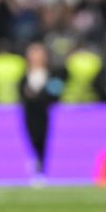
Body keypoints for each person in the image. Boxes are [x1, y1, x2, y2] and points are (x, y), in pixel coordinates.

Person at [18, 42, 62, 184]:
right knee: (31, 137)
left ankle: (43, 167)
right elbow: (20, 91)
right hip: (30, 112)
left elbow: (55, 92)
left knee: (45, 138)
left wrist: (40, 96)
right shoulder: (24, 75)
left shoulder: (52, 74)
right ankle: (35, 165)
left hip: (45, 112)